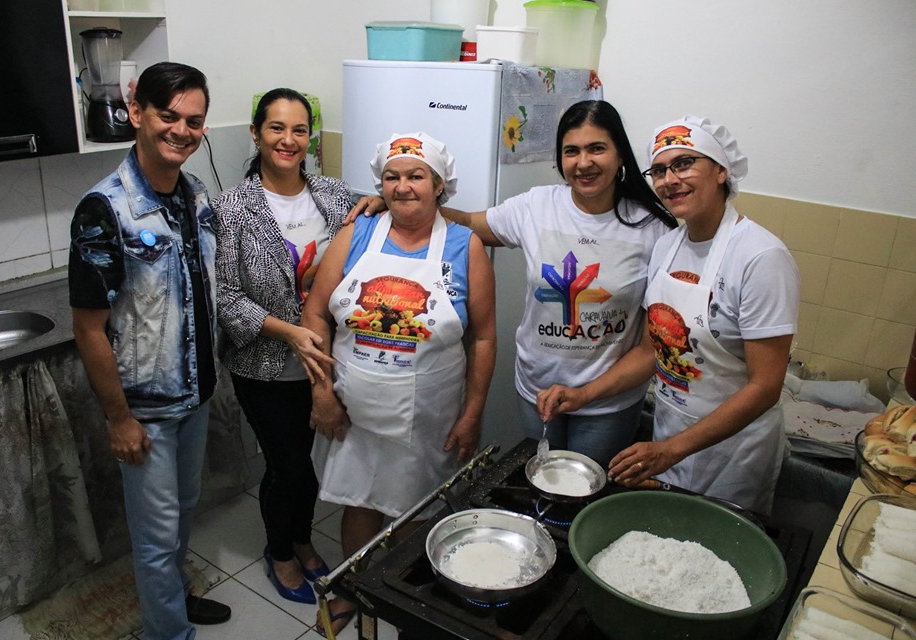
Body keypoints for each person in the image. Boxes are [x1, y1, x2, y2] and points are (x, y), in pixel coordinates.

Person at [349, 100, 676, 469]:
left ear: (620, 154)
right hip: (537, 389)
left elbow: (651, 349)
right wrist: (398, 201)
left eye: (596, 148)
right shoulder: (537, 206)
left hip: (607, 402)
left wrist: (585, 394)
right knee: (539, 480)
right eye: (571, 151)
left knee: (587, 488)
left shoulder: (653, 229)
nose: (583, 162)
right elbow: (468, 222)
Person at [538, 116, 800, 514]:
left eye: (684, 164)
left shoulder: (760, 257)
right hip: (669, 429)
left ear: (721, 170)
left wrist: (672, 450)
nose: (669, 180)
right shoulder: (668, 246)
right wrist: (582, 395)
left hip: (734, 452)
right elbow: (650, 351)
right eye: (659, 170)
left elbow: (765, 387)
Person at [302, 132, 496, 636]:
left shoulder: (465, 245)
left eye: (416, 176)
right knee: (360, 502)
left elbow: (483, 337)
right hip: (353, 409)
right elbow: (315, 314)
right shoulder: (356, 234)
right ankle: (354, 592)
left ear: (439, 185)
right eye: (392, 176)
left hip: (430, 415)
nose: (403, 186)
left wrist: (473, 412)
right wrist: (322, 392)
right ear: (380, 184)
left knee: (418, 507)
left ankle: (409, 602)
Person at [68, 62, 230, 639]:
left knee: (183, 513)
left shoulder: (195, 195)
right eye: (169, 116)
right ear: (137, 114)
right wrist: (119, 418)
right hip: (147, 411)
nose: (182, 131)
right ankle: (169, 633)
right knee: (156, 539)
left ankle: (175, 602)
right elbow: (88, 328)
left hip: (196, 394)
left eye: (195, 121)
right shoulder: (105, 209)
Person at [212, 88, 366, 605]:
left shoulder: (334, 195)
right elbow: (224, 296)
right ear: (256, 134)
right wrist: (290, 331)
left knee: (312, 462)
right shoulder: (230, 208)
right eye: (276, 127)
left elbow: (368, 242)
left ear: (310, 138)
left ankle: (301, 539)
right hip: (265, 363)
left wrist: (380, 200)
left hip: (328, 360)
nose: (288, 139)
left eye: (299, 129)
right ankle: (280, 552)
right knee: (288, 466)